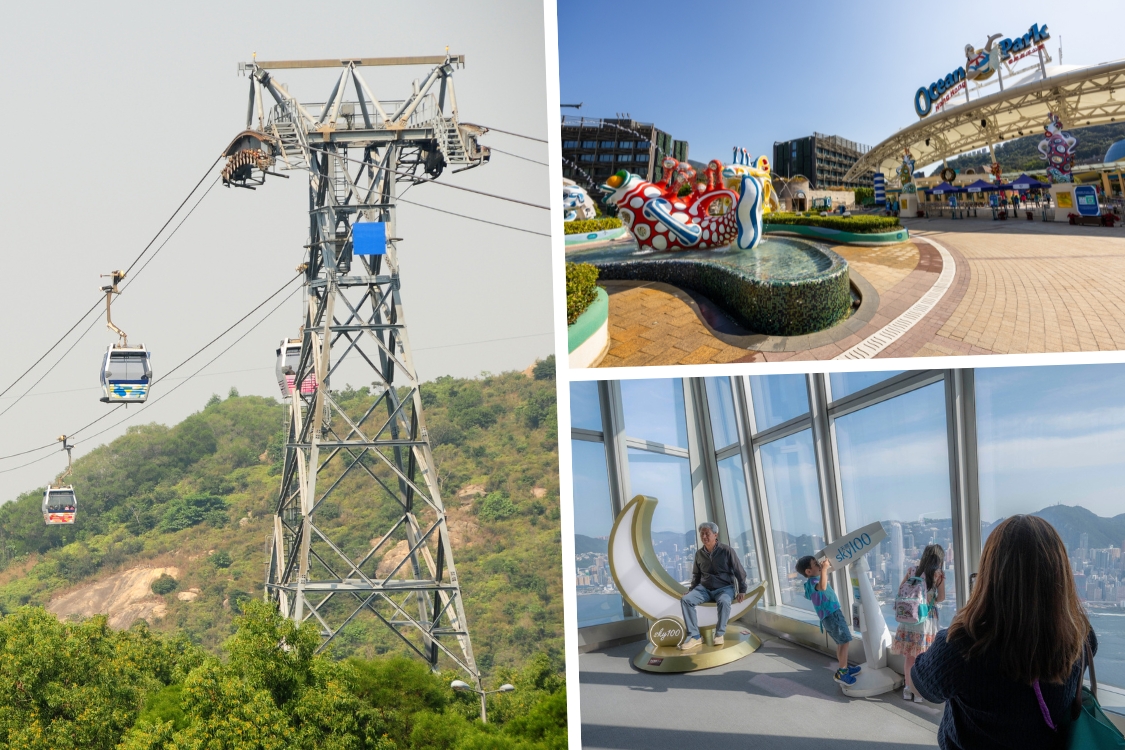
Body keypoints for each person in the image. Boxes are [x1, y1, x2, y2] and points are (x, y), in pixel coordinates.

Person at [911, 515, 1098, 750]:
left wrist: (964, 621)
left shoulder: (962, 647)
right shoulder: (1080, 636)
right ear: (1059, 575)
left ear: (989, 576)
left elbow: (923, 685)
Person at [678, 522, 746, 650]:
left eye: (707, 533)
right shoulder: (699, 554)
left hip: (725, 588)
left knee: (724, 601)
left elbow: (739, 571)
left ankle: (719, 634)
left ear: (715, 535)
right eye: (702, 534)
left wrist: (742, 590)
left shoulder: (727, 551)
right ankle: (695, 636)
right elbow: (696, 575)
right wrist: (691, 591)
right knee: (686, 600)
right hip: (704, 589)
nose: (704, 536)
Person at [796, 555, 861, 687]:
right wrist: (825, 569)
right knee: (845, 641)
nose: (819, 565)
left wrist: (822, 569)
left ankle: (844, 668)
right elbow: (823, 587)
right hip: (832, 615)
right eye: (816, 564)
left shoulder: (809, 583)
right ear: (808, 572)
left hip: (829, 616)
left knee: (841, 643)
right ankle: (842, 673)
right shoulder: (814, 582)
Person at [892, 543, 946, 703]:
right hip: (925, 619)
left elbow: (901, 589)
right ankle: (919, 692)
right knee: (923, 656)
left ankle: (908, 690)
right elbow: (941, 597)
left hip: (908, 618)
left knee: (909, 657)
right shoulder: (938, 574)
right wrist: (930, 597)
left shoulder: (912, 570)